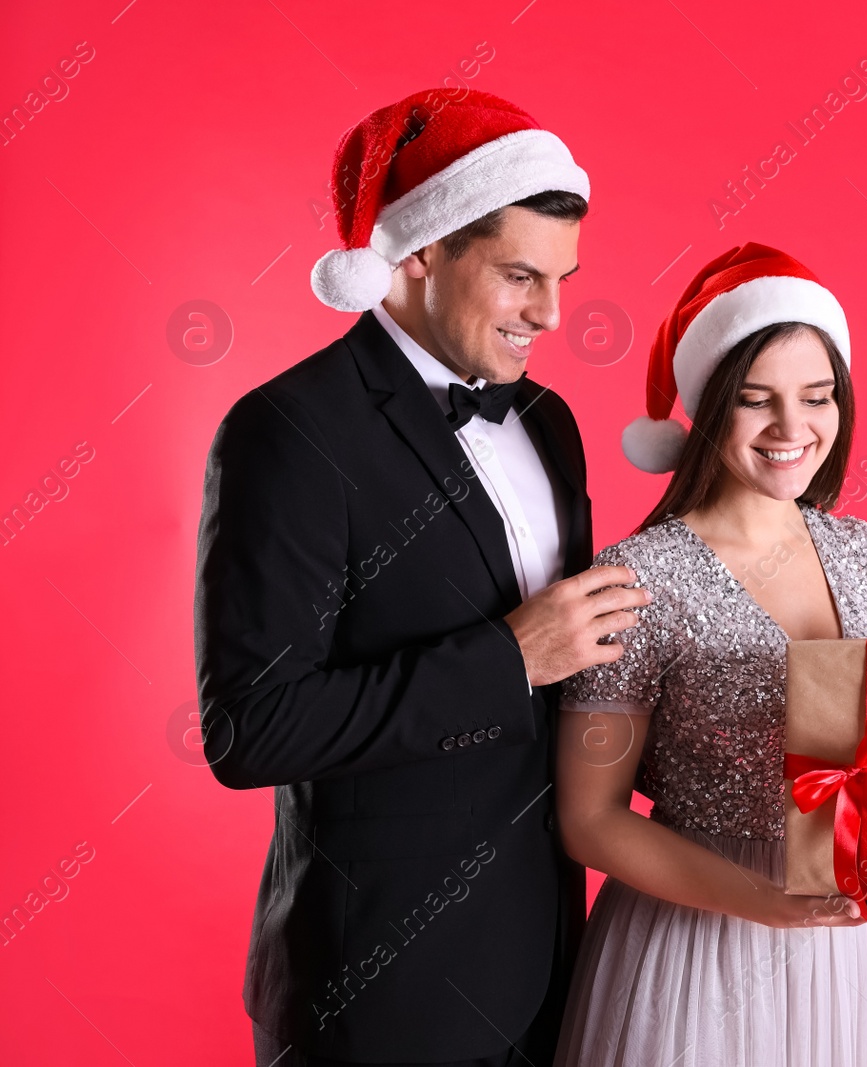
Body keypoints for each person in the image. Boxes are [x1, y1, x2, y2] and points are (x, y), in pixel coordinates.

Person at [193, 89, 650, 1066]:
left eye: (563, 278)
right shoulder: (288, 432)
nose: (553, 313)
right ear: (419, 252)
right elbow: (249, 726)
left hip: (551, 974)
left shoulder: (549, 422)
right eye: (522, 277)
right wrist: (507, 657)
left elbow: (571, 682)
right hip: (377, 995)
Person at [551, 244, 867, 1066]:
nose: (792, 429)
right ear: (707, 407)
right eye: (756, 400)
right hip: (691, 942)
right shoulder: (638, 577)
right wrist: (766, 901)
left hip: (837, 947)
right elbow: (588, 820)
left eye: (817, 396)